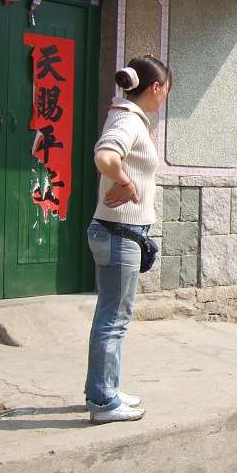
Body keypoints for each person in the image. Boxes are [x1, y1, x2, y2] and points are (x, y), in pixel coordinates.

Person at [85, 55, 171, 424]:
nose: (166, 95)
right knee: (113, 321)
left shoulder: (129, 117)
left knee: (112, 318)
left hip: (120, 233)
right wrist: (124, 181)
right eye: (166, 88)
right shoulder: (126, 119)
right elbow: (105, 156)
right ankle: (103, 402)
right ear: (155, 87)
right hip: (120, 234)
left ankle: (105, 389)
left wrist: (127, 180)